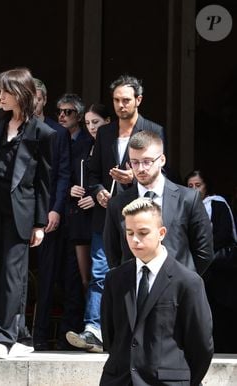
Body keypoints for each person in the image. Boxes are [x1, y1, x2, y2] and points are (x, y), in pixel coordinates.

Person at [66, 74, 165, 353]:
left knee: (139, 272)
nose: (121, 105)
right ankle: (93, 329)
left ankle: (134, 331)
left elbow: (161, 174)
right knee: (100, 272)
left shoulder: (153, 130)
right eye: (116, 100)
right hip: (107, 213)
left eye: (126, 100)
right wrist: (97, 191)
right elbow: (94, 170)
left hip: (141, 214)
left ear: (138, 100)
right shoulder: (106, 132)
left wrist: (131, 180)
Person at [0, 68, 55, 359]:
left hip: (21, 209)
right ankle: (13, 333)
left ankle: (4, 336)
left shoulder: (43, 133)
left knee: (12, 272)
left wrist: (40, 223)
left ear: (21, 93)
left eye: (5, 91)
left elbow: (45, 181)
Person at [100, 197, 213, 385]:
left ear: (161, 233)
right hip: (119, 379)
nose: (135, 240)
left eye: (143, 233)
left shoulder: (187, 282)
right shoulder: (115, 278)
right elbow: (110, 334)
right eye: (129, 233)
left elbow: (201, 345)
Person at [103, 130, 214, 273]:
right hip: (135, 288)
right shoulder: (117, 204)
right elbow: (113, 254)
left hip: (177, 289)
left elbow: (204, 252)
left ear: (162, 160)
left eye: (147, 162)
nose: (141, 168)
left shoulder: (188, 199)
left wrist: (183, 282)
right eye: (135, 163)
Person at [33, 93, 82, 351]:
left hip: (49, 213)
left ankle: (39, 335)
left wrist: (55, 209)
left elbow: (63, 174)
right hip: (19, 210)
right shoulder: (10, 124)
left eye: (41, 97)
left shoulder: (57, 132)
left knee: (49, 274)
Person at [186, 169, 237, 353]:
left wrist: (202, 252)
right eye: (190, 186)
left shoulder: (217, 204)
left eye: (198, 185)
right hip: (200, 271)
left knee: (220, 315)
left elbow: (224, 235)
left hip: (218, 272)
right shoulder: (187, 206)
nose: (194, 189)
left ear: (207, 186)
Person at [67, 104, 110, 291]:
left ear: (107, 122)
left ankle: (101, 319)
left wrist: (96, 196)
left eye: (96, 122)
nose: (91, 127)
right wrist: (71, 189)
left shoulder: (115, 146)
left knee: (104, 274)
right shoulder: (81, 146)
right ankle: (90, 318)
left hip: (104, 215)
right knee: (86, 278)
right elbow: (65, 174)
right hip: (82, 216)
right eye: (87, 123)